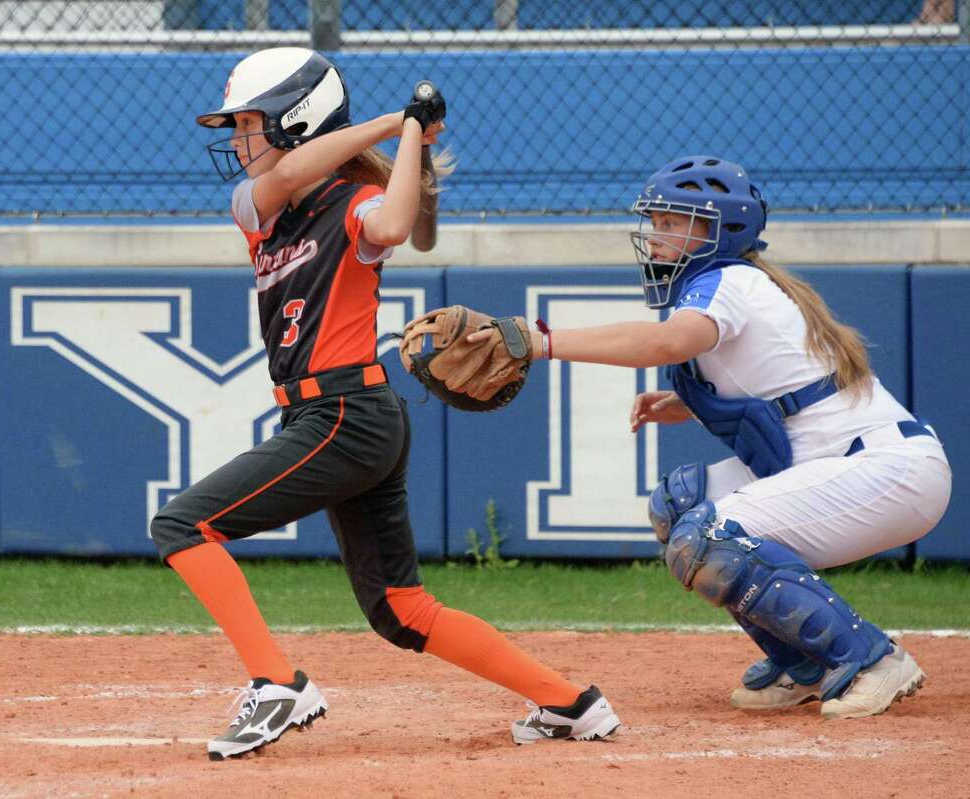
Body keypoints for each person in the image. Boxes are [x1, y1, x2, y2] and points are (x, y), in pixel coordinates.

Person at [156, 46, 620, 761]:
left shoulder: (354, 206)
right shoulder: (257, 207)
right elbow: (287, 172)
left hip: (346, 414)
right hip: (338, 418)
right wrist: (395, 120)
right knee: (401, 611)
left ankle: (276, 683)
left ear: (297, 121)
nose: (237, 140)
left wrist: (410, 137)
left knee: (183, 523)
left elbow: (399, 225)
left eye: (249, 124)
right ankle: (571, 703)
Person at [471, 155, 952, 720]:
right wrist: (686, 404)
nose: (655, 237)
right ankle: (804, 663)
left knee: (711, 535)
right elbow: (787, 391)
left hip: (889, 470)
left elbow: (667, 344)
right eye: (657, 222)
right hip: (847, 463)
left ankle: (871, 657)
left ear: (720, 231)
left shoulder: (729, 280)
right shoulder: (737, 282)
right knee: (679, 506)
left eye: (674, 224)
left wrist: (544, 340)